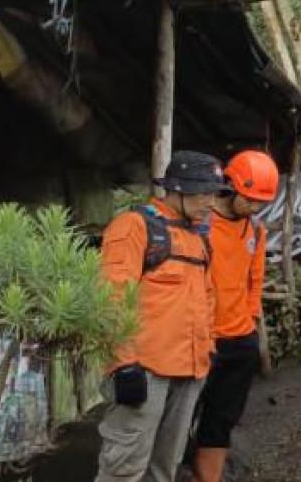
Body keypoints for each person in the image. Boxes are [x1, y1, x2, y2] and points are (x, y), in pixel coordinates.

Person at [95, 151, 223, 482]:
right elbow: (112, 297)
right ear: (176, 189)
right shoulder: (134, 227)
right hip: (145, 374)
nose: (211, 201)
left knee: (164, 469)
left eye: (213, 192)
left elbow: (207, 299)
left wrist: (206, 352)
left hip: (189, 374)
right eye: (203, 192)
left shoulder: (197, 237)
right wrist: (123, 365)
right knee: (124, 469)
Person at [190, 150, 279, 482]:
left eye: (262, 202)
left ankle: (208, 478)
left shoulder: (255, 231)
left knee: (222, 418)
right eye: (251, 199)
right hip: (202, 339)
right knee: (182, 415)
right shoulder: (200, 226)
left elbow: (255, 279)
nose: (255, 207)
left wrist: (250, 319)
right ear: (230, 187)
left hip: (239, 340)